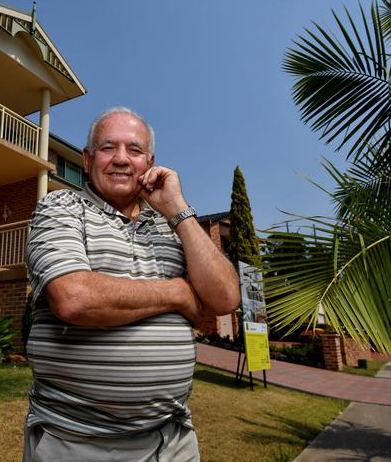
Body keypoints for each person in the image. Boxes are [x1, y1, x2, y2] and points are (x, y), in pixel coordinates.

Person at [23, 107, 240, 461]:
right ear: (88, 158)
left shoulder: (170, 226)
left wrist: (179, 211)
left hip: (172, 442)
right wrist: (178, 292)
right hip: (76, 440)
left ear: (150, 162)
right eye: (108, 148)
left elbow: (226, 297)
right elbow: (73, 297)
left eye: (135, 150)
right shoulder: (60, 207)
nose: (122, 159)